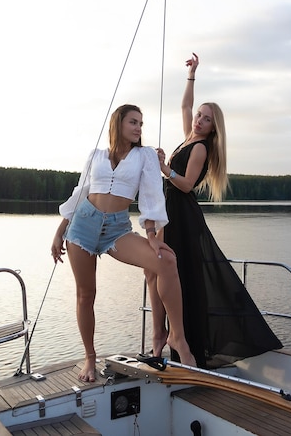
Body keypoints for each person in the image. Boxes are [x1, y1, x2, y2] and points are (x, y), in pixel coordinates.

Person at [145, 54, 282, 368]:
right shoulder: (189, 137)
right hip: (170, 214)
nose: (198, 120)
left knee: (179, 276)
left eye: (206, 118)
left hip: (182, 215)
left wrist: (164, 167)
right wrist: (192, 75)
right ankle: (165, 340)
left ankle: (184, 347)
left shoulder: (201, 147)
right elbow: (184, 107)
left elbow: (187, 185)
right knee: (159, 271)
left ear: (213, 127)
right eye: (200, 115)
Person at [51, 104, 196, 382]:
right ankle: (90, 359)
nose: (139, 128)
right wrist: (60, 230)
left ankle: (177, 338)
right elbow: (81, 191)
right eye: (133, 122)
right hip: (82, 226)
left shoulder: (145, 156)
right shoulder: (95, 155)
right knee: (86, 294)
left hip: (116, 230)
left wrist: (152, 236)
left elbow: (153, 196)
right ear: (118, 124)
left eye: (141, 123)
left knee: (166, 261)